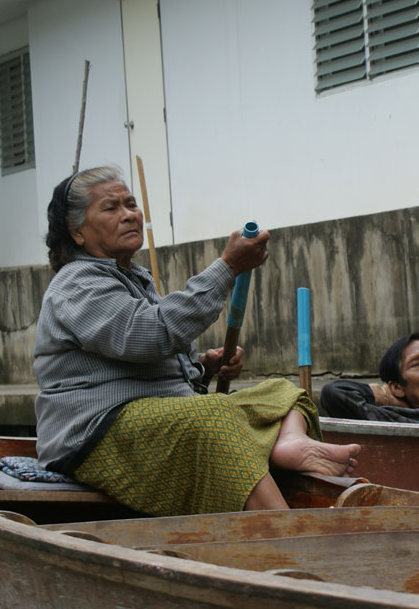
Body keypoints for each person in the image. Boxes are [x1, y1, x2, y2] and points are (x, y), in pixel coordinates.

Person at [34, 166, 359, 516]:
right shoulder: (77, 284)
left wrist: (203, 366)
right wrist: (227, 268)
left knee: (280, 393)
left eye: (130, 204)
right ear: (77, 232)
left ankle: (290, 442)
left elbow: (146, 357)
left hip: (153, 417)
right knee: (212, 418)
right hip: (93, 436)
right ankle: (287, 531)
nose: (129, 215)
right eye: (111, 208)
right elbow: (149, 334)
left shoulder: (132, 277)